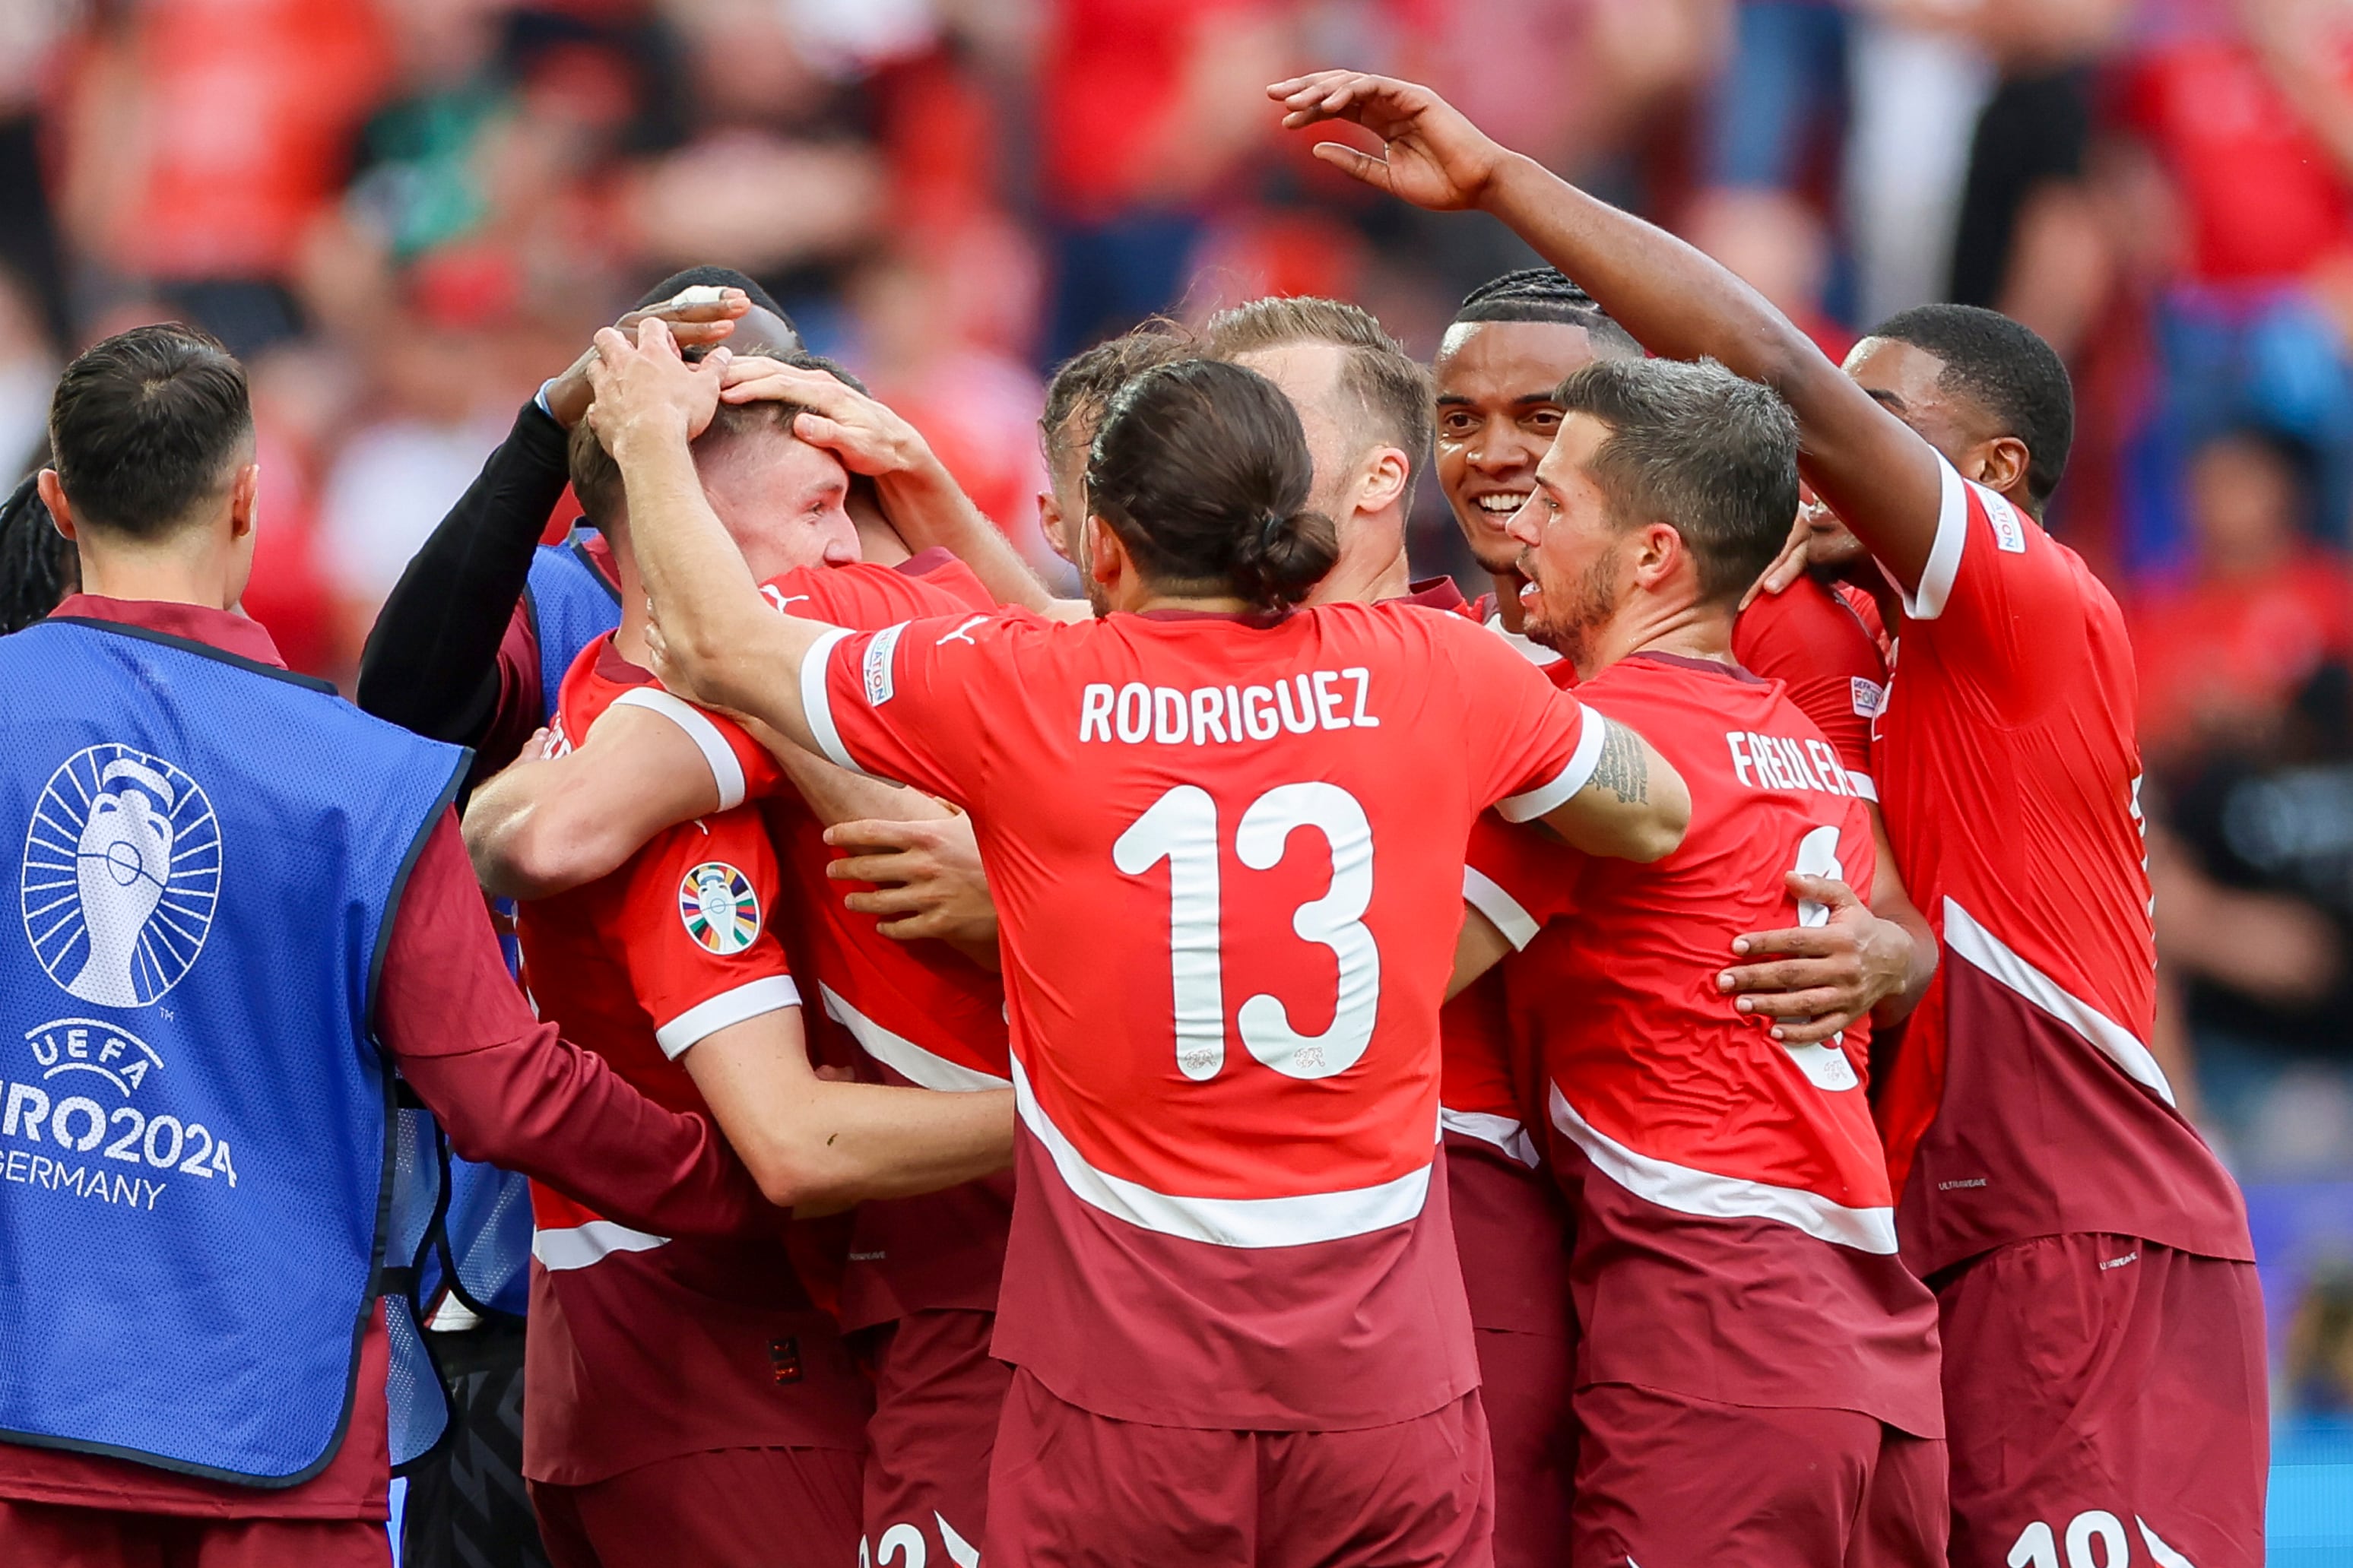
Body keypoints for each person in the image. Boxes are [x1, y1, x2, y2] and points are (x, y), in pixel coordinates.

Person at [1270, 68, 2266, 1566]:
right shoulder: (1813, 638)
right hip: (1902, 1257)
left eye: (1873, 425)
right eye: (1462, 415)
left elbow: (1774, 390)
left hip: (2066, 1243)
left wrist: (1501, 180)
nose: (1812, 454)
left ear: (1989, 476)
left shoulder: (2025, 612)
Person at [592, 319, 1691, 1565]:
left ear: (1102, 545)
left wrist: (642, 437)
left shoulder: (1017, 687)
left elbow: (721, 643)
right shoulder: (1439, 667)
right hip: (1384, 1393)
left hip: (1126, 1403)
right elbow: (1650, 811)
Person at [0, 325, 776, 1566]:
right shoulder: (364, 782)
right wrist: (742, 1181)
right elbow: (508, 1092)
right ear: (249, 499)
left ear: (56, 500)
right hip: (273, 1442)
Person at [464, 355, 1021, 1566]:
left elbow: (1096, 641)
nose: (852, 553)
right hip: (705, 1357)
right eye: (820, 511)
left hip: (691, 1345)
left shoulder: (623, 699)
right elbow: (793, 1145)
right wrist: (1097, 1111)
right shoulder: (694, 745)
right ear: (690, 527)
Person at [1448, 354, 1944, 1564]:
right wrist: (1898, 960)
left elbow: (1363, 996)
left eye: (1555, 503)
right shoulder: (1794, 739)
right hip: (1869, 1342)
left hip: (1710, 1331)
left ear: (1653, 555)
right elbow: (1908, 938)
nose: (1516, 527)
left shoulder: (1594, 756)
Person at [353, 265, 789, 1568]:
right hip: (543, 1243)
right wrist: (547, 428)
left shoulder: (841, 578)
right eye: (687, 398)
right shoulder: (567, 588)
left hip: (798, 1229)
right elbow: (405, 705)